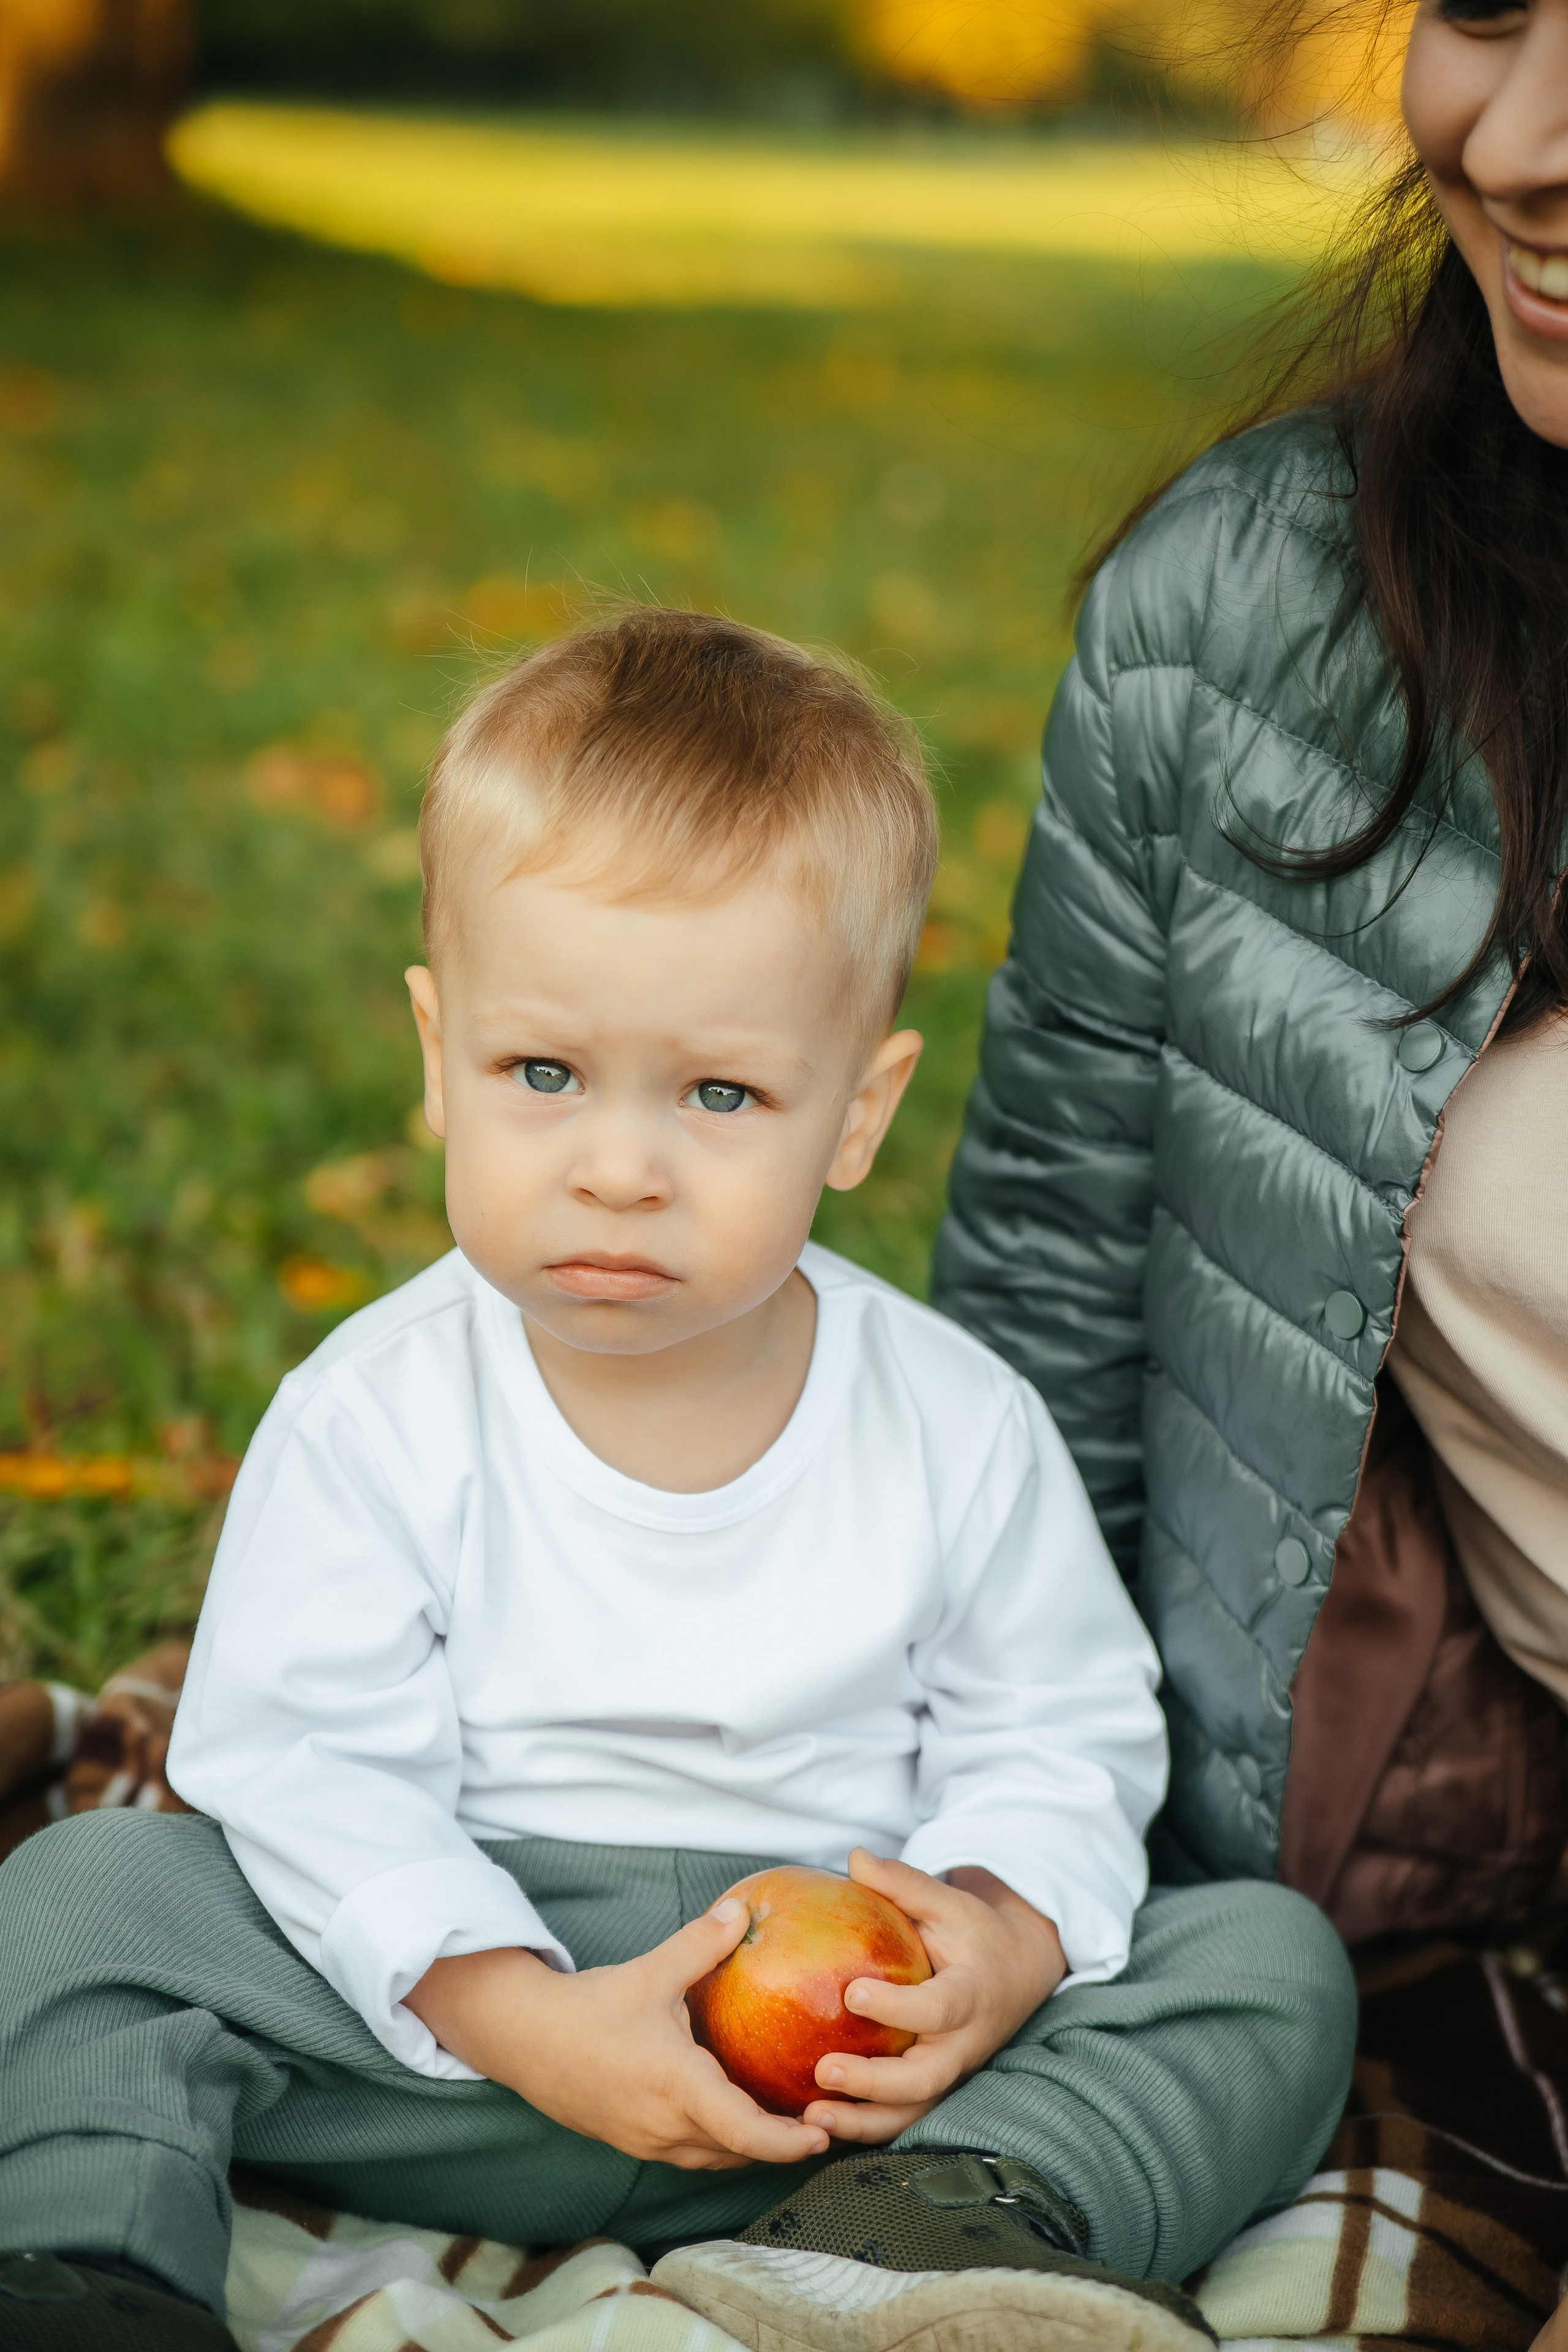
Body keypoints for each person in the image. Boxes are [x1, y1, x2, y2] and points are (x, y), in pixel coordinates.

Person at [0, 609, 1354, 2352]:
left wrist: (999, 1946)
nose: (620, 1168)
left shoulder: (952, 1420)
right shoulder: (375, 1414)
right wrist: (520, 2015)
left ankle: (925, 2243)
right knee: (90, 1900)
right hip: (461, 2026)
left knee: (1260, 1964)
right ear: (438, 1058)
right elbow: (308, 1763)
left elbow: (1058, 1728)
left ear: (854, 1117)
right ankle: (88, 2272)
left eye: (720, 1093)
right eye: (543, 1074)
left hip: (853, 2066)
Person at [935, 0, 1568, 1950]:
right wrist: (1007, 1882)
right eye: (1485, 6)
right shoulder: (1241, 616)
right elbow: (1057, 1315)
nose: (1527, 136)